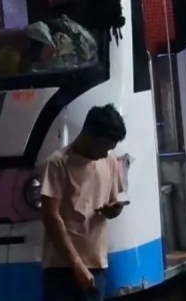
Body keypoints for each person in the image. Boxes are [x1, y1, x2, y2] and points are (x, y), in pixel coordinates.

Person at [40, 104, 127, 301]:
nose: (106, 154)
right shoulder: (58, 163)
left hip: (97, 266)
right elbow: (51, 216)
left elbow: (112, 201)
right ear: (88, 134)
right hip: (61, 268)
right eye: (104, 147)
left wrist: (113, 210)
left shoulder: (110, 162)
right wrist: (77, 264)